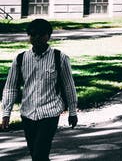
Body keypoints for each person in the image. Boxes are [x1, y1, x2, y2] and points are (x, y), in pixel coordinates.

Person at [1, 18, 78, 161]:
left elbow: (69, 86)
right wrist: (6, 113)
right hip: (27, 114)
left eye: (41, 34)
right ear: (29, 36)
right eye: (33, 34)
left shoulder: (59, 58)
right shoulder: (20, 59)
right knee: (36, 154)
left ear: (48, 36)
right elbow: (11, 87)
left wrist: (72, 111)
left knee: (39, 154)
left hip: (50, 112)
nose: (37, 38)